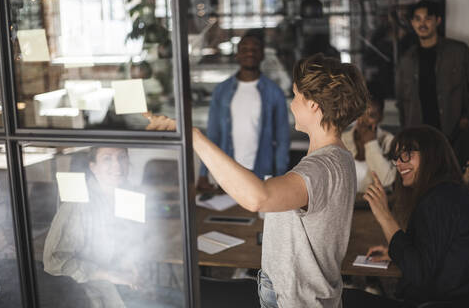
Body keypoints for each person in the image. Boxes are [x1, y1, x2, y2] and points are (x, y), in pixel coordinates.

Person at [145, 53, 370, 307]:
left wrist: (195, 136)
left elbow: (258, 198)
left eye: (296, 96)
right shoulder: (338, 157)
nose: (292, 104)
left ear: (314, 105)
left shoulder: (321, 167)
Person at [343, 126, 469, 308]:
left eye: (407, 154)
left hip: (441, 303)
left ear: (431, 155)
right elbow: (435, 256)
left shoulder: (439, 199)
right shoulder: (451, 193)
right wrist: (395, 252)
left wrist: (385, 216)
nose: (399, 164)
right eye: (396, 157)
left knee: (343, 299)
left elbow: (419, 274)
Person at [43, 147, 182, 308]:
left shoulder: (129, 194)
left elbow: (130, 243)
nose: (117, 165)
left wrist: (131, 264)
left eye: (122, 157)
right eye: (107, 159)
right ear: (93, 167)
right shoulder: (78, 203)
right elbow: (53, 262)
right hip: (95, 293)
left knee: (186, 299)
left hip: (126, 284)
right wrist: (109, 275)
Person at [197, 30, 290, 191]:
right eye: (245, 49)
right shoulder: (222, 91)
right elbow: (213, 135)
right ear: (237, 55)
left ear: (262, 55)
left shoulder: (274, 93)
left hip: (262, 173)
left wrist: (281, 176)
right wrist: (204, 173)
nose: (250, 53)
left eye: (255, 49)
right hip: (227, 172)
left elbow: (282, 139)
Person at [395, 0, 469, 140]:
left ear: (438, 21)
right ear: (412, 23)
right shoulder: (407, 60)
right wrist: (405, 130)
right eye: (417, 19)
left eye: (428, 19)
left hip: (454, 132)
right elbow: (401, 100)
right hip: (419, 136)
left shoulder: (459, 52)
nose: (422, 24)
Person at [342, 96, 395, 193]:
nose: (363, 121)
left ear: (381, 117)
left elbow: (387, 182)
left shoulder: (388, 141)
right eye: (360, 114)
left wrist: (371, 143)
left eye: (371, 115)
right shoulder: (342, 140)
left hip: (371, 206)